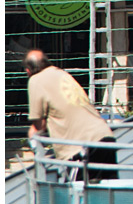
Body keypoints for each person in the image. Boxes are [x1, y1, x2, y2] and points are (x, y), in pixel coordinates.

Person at [25, 49, 117, 181]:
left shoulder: (36, 80)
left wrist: (35, 138)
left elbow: (38, 123)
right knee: (109, 195)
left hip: (82, 147)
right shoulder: (62, 74)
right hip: (105, 137)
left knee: (78, 196)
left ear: (28, 70)